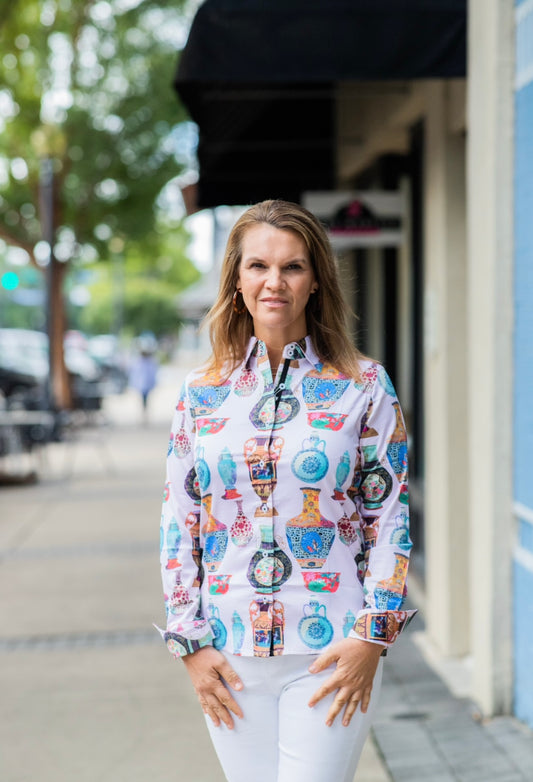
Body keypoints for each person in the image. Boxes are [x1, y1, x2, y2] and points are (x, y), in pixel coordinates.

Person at [159, 200, 416, 782]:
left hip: (331, 653)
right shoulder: (200, 393)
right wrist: (191, 646)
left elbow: (388, 516)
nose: (274, 282)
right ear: (237, 280)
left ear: (316, 281)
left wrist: (371, 639)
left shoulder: (363, 384)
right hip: (229, 654)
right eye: (258, 267)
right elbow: (180, 523)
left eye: (293, 267)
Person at [129, 335, 158, 419]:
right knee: (144, 399)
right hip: (142, 384)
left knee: (145, 399)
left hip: (146, 384)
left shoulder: (149, 361)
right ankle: (144, 411)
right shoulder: (139, 361)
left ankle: (145, 411)